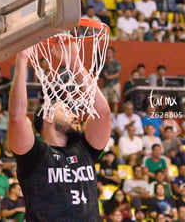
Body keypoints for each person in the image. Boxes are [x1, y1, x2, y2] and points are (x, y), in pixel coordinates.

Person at [8, 43, 110, 221]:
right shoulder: (34, 155)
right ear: (48, 116)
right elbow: (17, 118)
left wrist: (75, 64)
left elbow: (103, 113)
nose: (75, 115)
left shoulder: (85, 148)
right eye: (66, 110)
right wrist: (22, 61)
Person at [101, 47, 121, 115]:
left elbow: (118, 73)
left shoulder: (116, 62)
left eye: (110, 52)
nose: (108, 54)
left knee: (115, 101)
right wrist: (105, 75)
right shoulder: (104, 62)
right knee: (104, 101)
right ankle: (106, 115)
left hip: (114, 83)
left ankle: (115, 117)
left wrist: (110, 77)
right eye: (107, 52)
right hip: (106, 84)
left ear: (113, 53)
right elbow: (102, 72)